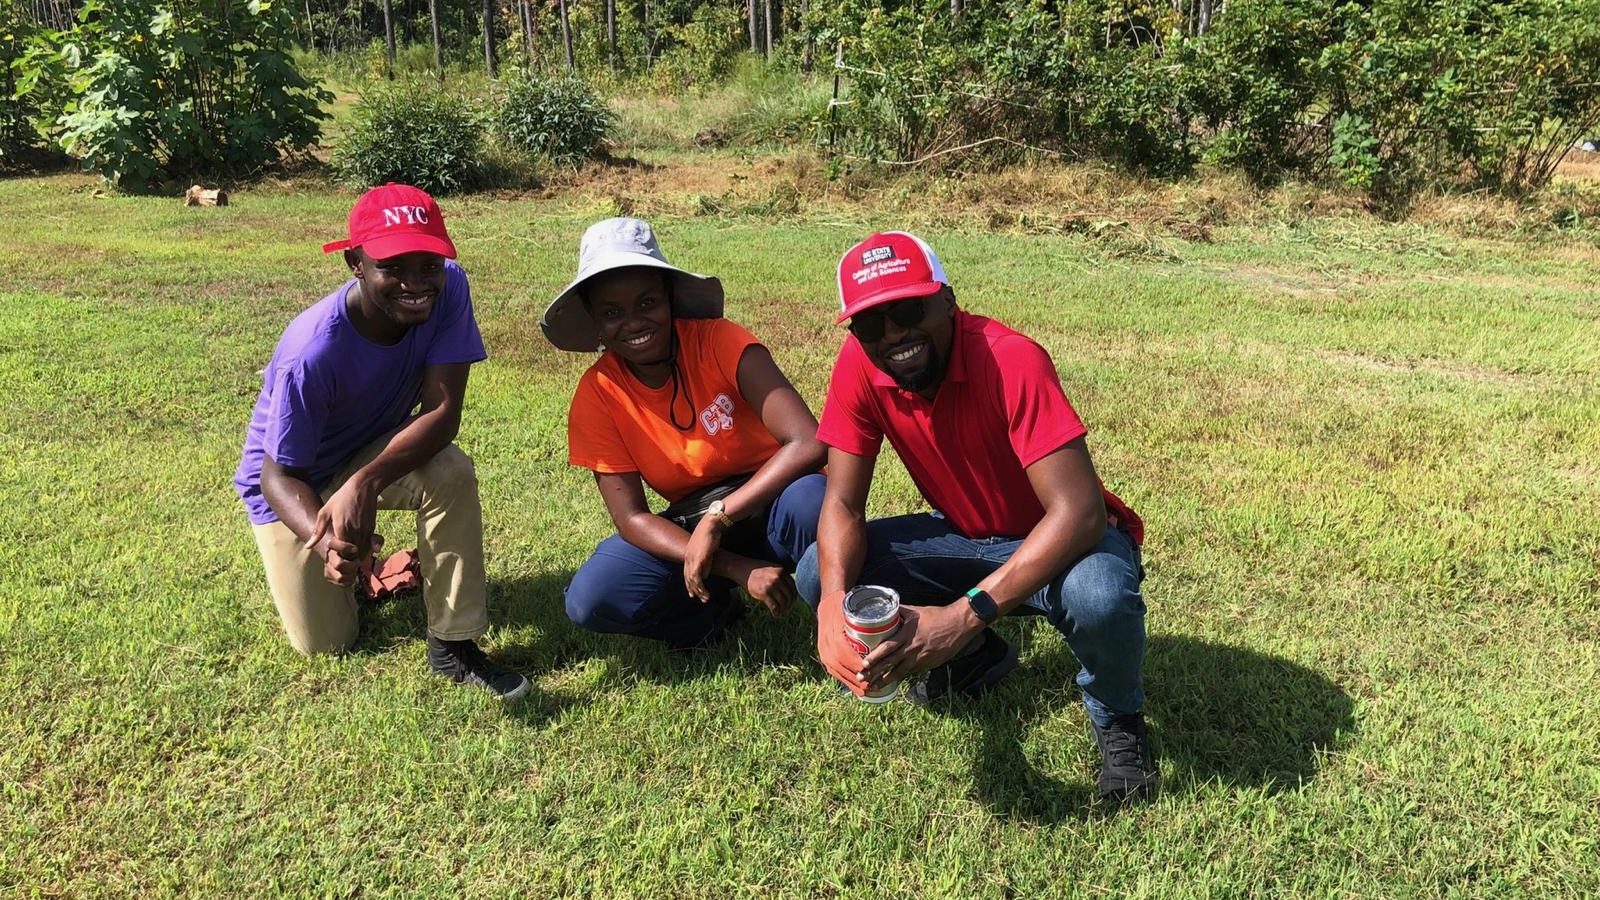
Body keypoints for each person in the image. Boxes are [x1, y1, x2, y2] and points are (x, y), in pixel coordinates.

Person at [796, 231, 1157, 802]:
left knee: (1098, 596)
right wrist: (827, 611)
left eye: (908, 309)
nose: (894, 336)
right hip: (966, 536)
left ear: (947, 300)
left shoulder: (1010, 358)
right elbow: (841, 503)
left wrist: (961, 617)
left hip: (1065, 540)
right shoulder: (860, 370)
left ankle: (1118, 719)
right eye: (871, 324)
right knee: (821, 571)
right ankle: (977, 660)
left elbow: (1080, 513)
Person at [233, 183, 528, 700]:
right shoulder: (312, 353)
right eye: (393, 267)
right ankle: (366, 571)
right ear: (355, 262)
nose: (416, 284)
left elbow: (441, 413)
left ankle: (453, 645)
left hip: (367, 454)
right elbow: (275, 475)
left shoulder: (450, 288)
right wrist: (328, 542)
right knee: (326, 644)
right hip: (297, 486)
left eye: (429, 265)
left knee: (447, 469)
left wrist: (365, 484)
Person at [542, 217, 826, 651]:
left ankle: (845, 619)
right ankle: (709, 617)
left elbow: (808, 440)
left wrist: (720, 517)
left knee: (816, 503)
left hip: (775, 496)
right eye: (612, 312)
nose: (634, 322)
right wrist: (732, 565)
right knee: (593, 598)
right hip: (692, 518)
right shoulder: (598, 393)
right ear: (595, 322)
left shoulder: (720, 341)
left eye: (648, 302)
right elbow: (632, 518)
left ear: (671, 299)